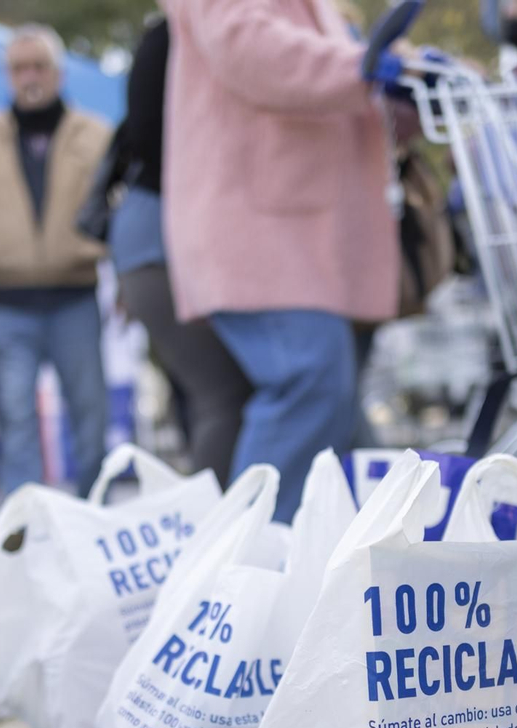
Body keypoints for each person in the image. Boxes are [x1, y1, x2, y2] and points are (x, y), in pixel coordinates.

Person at [160, 0, 400, 521]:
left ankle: (332, 569)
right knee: (311, 383)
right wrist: (362, 65)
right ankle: (252, 567)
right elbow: (251, 48)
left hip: (303, 233)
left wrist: (401, 79)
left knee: (336, 411)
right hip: (260, 228)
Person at [0, 25, 111, 500]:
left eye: (38, 66)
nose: (29, 77)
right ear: (8, 75)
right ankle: (29, 521)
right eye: (19, 67)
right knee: (15, 412)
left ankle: (94, 509)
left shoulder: (94, 135)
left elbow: (118, 207)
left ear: (58, 72)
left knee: (90, 410)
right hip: (9, 299)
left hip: (75, 293)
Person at [109, 18, 251, 486]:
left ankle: (220, 532)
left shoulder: (179, 32)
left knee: (219, 398)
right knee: (223, 396)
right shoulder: (175, 33)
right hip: (162, 239)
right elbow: (154, 140)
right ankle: (217, 537)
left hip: (152, 240)